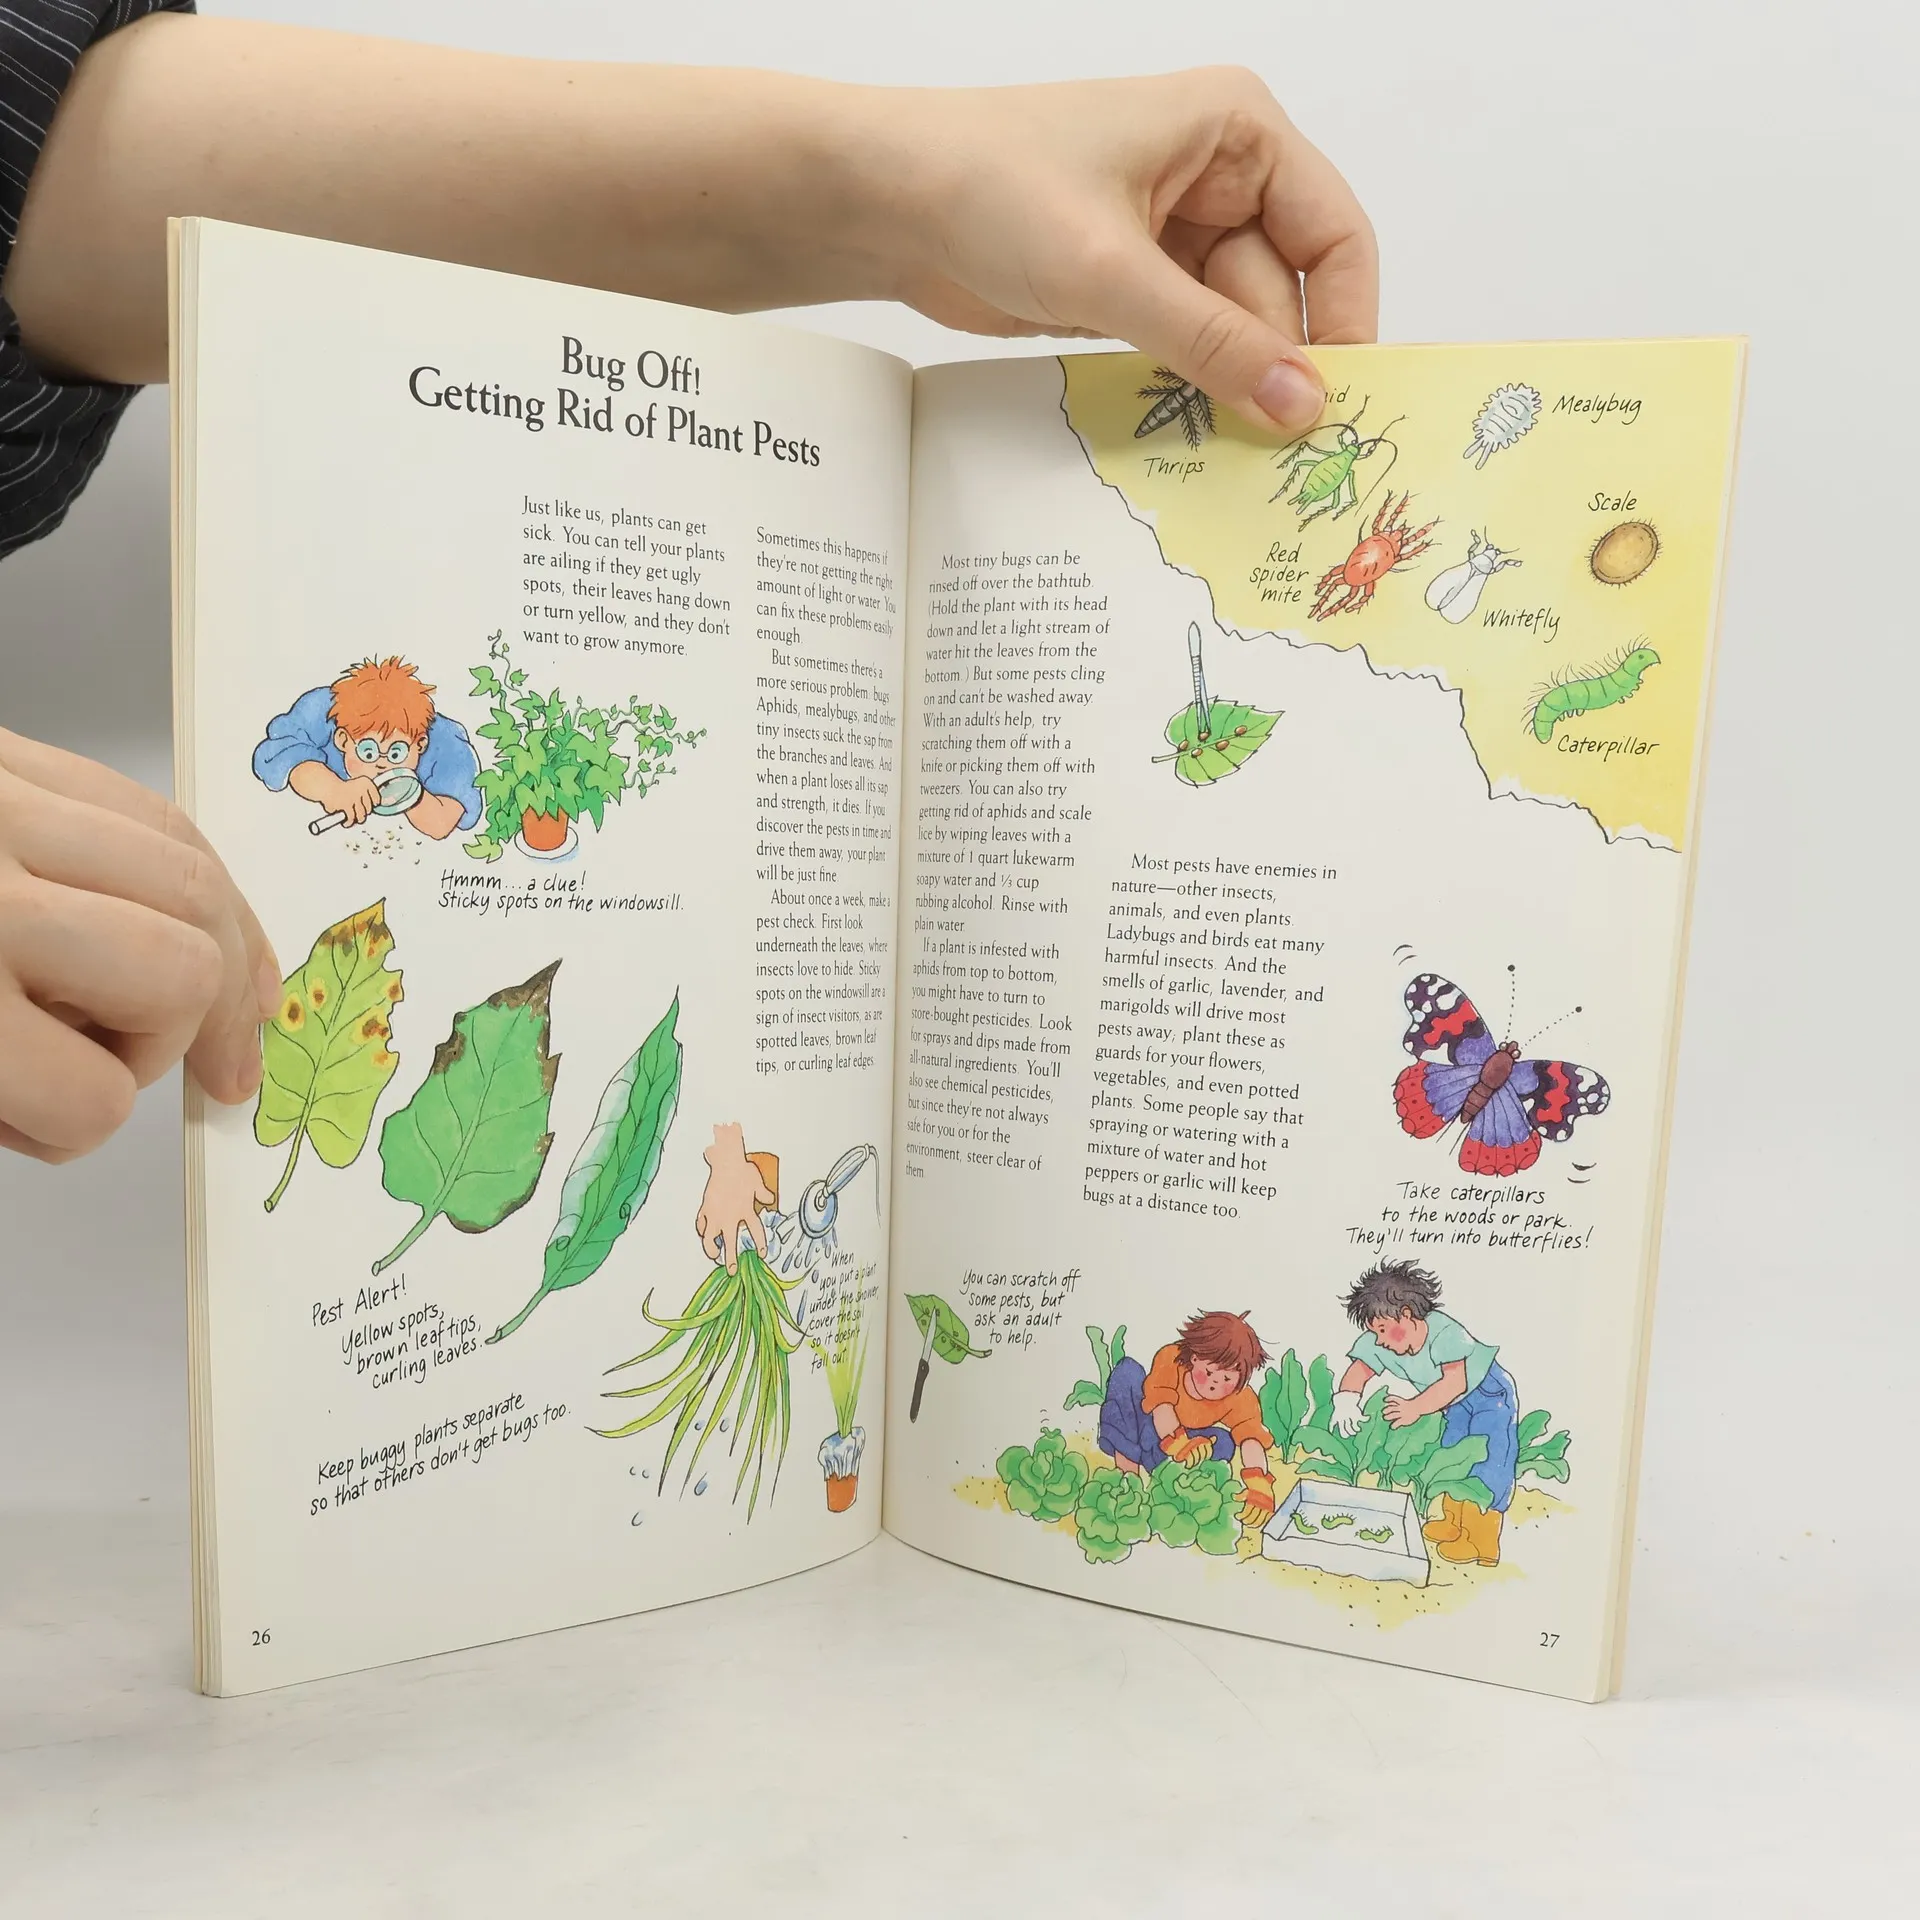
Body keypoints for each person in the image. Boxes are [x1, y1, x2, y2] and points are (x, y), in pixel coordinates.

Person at [0, 6, 1376, 1163]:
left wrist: (906, 192)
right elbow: (305, 760)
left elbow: (48, 167)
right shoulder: (357, 740)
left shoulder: (444, 754)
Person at [1332, 1258, 1518, 1567]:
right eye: (1375, 1332)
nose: (1379, 1340)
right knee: (1451, 1455)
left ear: (1406, 1315)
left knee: (1488, 1461)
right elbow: (1359, 1369)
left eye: (1383, 1330)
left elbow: (1456, 1382)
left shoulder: (1445, 1332)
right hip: (1451, 1402)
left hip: (1488, 1394)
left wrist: (1415, 1408)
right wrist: (1346, 1400)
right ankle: (1454, 1523)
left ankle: (1482, 1540)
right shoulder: (1382, 1340)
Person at [252, 657, 481, 840]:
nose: (382, 764)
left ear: (420, 745)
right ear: (342, 740)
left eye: (396, 753)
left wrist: (406, 791)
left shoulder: (446, 743)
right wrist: (333, 790)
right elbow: (280, 756)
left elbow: (443, 821)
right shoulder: (323, 711)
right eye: (368, 752)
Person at [1098, 1309, 1284, 1529]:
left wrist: (1259, 1482)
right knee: (1127, 1372)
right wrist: (1180, 1443)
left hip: (1172, 1452)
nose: (1214, 1384)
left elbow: (1250, 1438)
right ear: (1194, 1358)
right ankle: (1129, 1481)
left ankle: (1174, 1482)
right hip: (1148, 1427)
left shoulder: (1240, 1396)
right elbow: (1162, 1408)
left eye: (1226, 1378)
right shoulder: (1171, 1358)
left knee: (1224, 1442)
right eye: (1209, 1373)